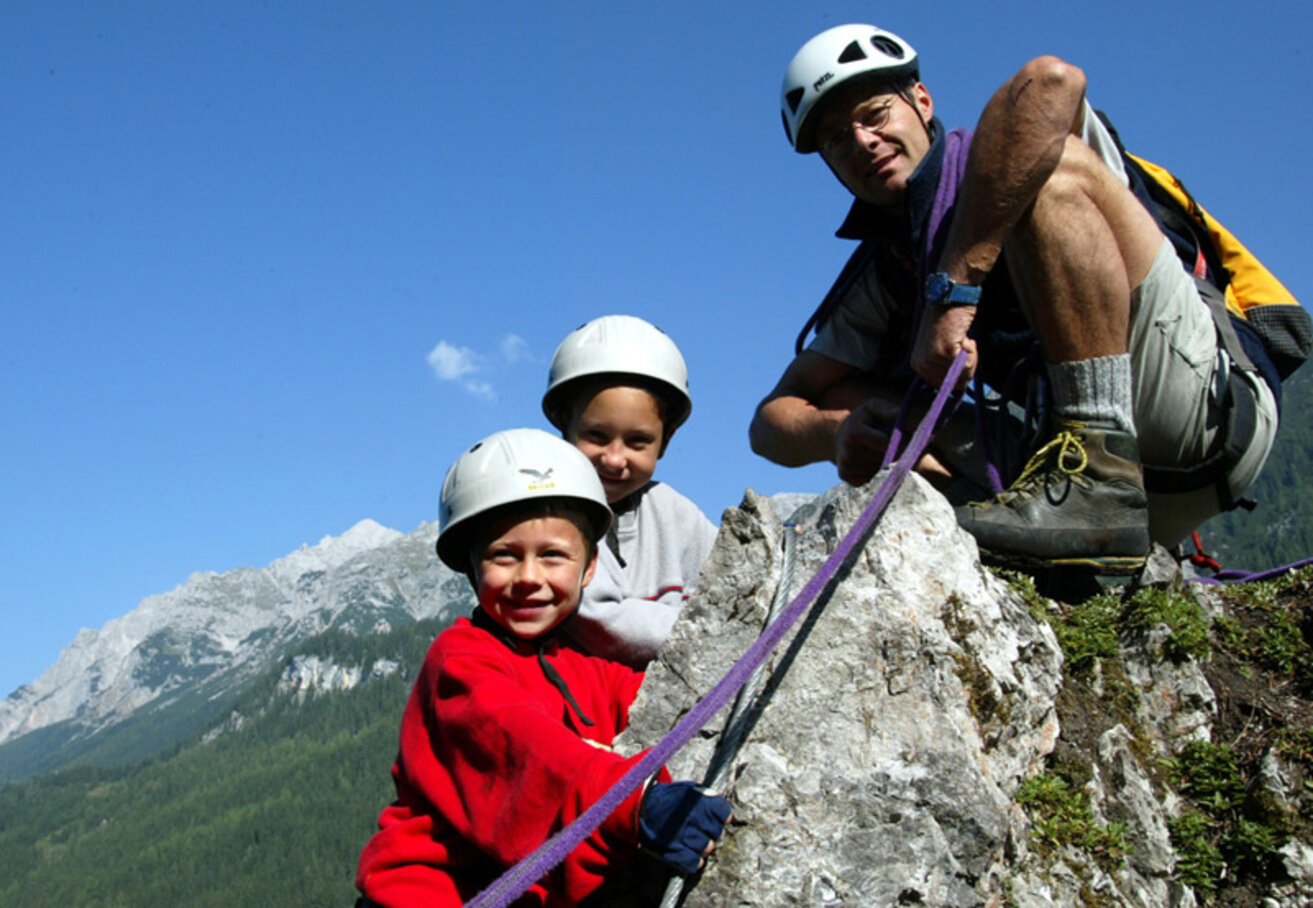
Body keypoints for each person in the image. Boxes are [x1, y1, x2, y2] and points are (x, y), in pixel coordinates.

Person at [749, 23, 1285, 574]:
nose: (862, 141)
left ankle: (1097, 473)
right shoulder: (889, 268)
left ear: (922, 101)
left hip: (1204, 416)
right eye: (837, 140)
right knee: (847, 390)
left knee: (1041, 170)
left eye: (875, 113)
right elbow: (768, 423)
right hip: (1101, 485)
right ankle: (1054, 521)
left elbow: (1052, 80)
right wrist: (837, 431)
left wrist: (951, 292)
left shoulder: (998, 148)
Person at [354, 429, 731, 907]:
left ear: (589, 567)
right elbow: (531, 749)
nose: (529, 578)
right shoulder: (460, 663)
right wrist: (638, 804)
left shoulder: (590, 669)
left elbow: (667, 706)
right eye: (504, 555)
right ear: (472, 567)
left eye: (553, 555)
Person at [543, 315, 719, 666]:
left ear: (665, 442)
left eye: (637, 442)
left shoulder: (675, 513)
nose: (613, 459)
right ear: (565, 427)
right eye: (596, 436)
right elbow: (601, 620)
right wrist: (711, 632)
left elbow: (731, 580)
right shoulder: (555, 517)